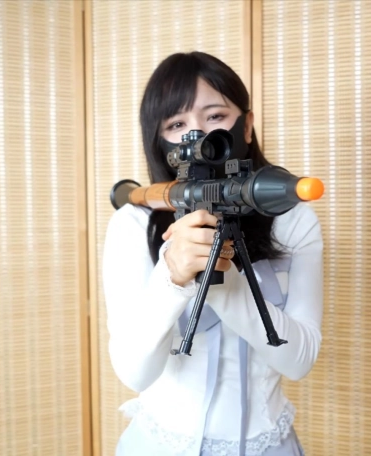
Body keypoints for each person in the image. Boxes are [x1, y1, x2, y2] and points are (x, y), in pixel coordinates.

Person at [101, 51, 324, 456]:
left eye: (215, 116)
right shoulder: (132, 223)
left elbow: (299, 360)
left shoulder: (293, 219)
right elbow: (135, 373)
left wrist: (224, 280)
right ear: (159, 139)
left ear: (247, 126)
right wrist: (171, 277)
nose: (198, 134)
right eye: (177, 124)